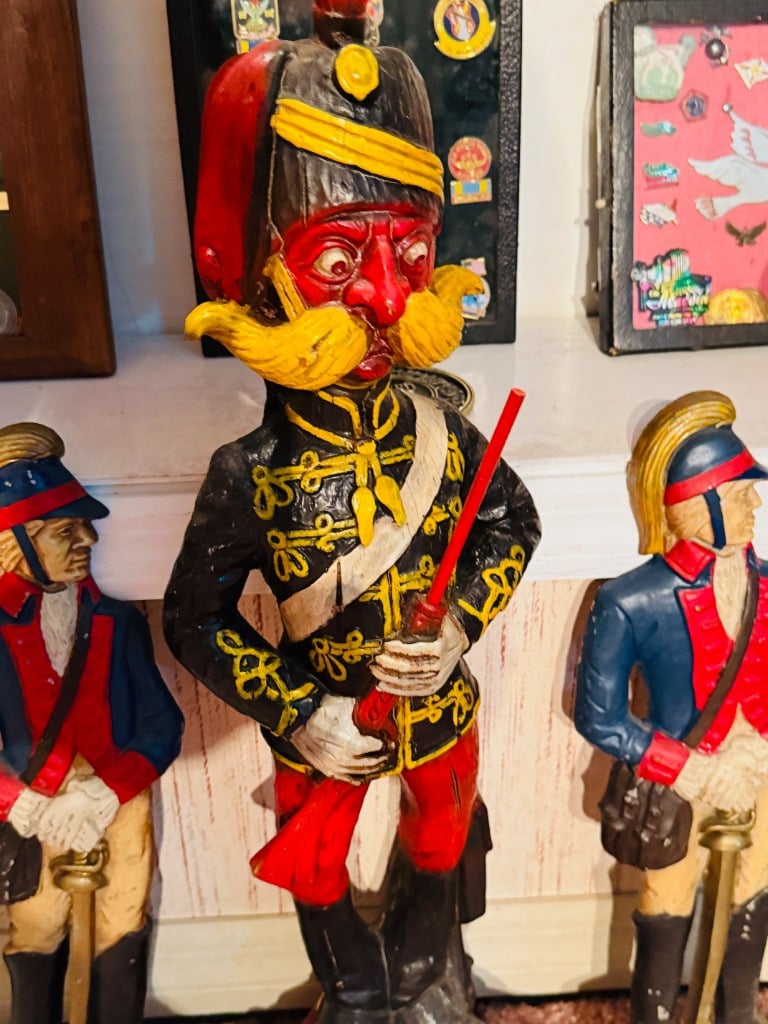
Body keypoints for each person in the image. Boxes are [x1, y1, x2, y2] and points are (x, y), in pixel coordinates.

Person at [163, 2, 540, 1019]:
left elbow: (513, 523)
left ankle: (428, 945)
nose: (384, 296)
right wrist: (300, 711)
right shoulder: (251, 471)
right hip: (320, 726)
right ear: (267, 279)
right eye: (338, 262)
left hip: (438, 714)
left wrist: (458, 626)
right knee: (317, 864)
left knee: (441, 833)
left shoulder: (445, 434)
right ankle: (346, 971)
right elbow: (193, 620)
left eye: (409, 254)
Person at [575, 391, 768, 1024]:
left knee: (753, 898)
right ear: (696, 506)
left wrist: (757, 752)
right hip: (679, 783)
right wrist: (690, 769)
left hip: (759, 772)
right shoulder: (630, 601)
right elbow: (600, 717)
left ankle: (737, 1013)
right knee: (666, 906)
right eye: (739, 495)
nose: (756, 505)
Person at [0, 422, 184, 1024]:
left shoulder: (117, 621)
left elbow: (162, 724)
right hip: (35, 805)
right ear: (14, 542)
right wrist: (24, 805)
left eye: (84, 525)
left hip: (117, 799)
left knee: (123, 920)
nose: (88, 539)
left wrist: (106, 792)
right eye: (65, 530)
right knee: (36, 926)